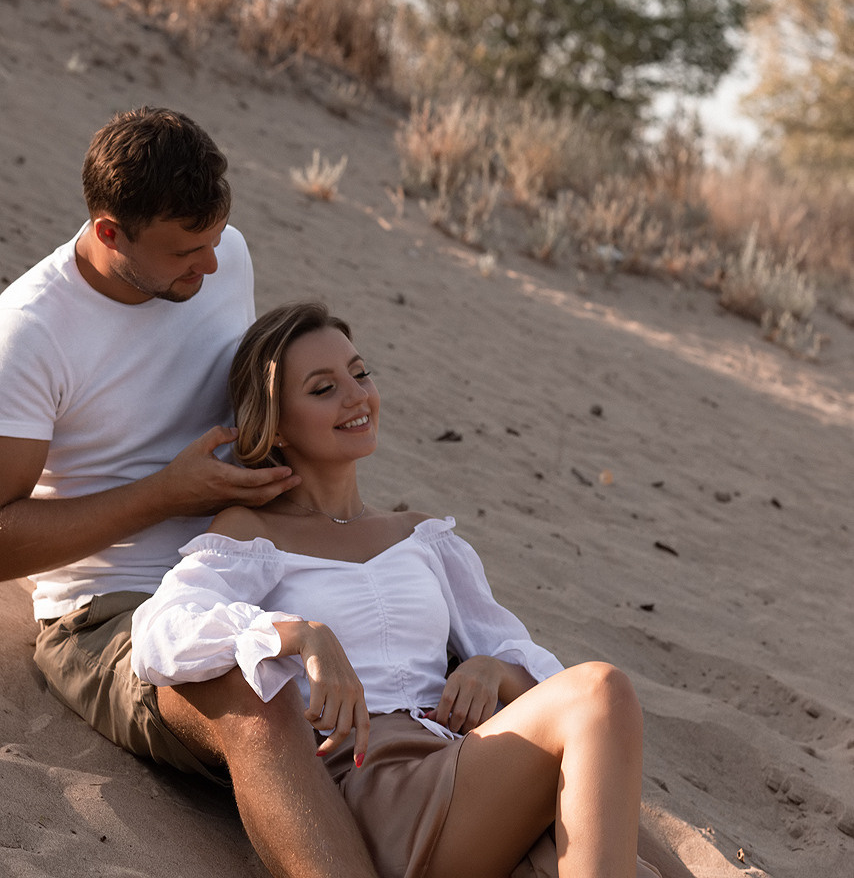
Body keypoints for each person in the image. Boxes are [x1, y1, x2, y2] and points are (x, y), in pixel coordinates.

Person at [131, 301, 666, 878]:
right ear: (277, 425)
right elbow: (158, 635)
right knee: (602, 689)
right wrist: (298, 636)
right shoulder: (253, 535)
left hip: (462, 769)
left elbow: (538, 673)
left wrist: (493, 670)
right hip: (371, 790)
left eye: (360, 374)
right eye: (323, 389)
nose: (356, 396)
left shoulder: (421, 537)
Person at [0, 108, 384, 878]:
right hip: (115, 609)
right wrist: (166, 494)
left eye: (215, 241)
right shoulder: (29, 335)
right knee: (261, 701)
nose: (210, 268)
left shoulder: (222, 254)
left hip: (256, 558)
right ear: (109, 232)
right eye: (185, 251)